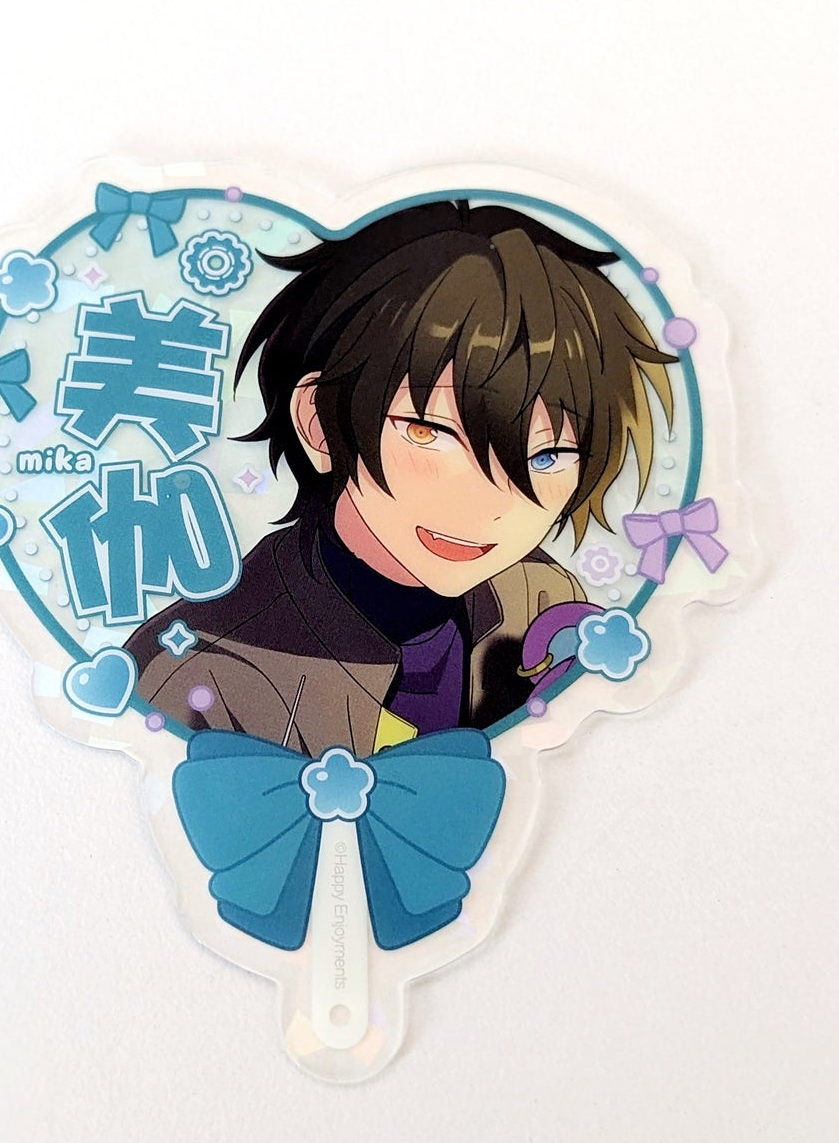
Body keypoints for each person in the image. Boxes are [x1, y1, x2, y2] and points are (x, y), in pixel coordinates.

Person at [125, 200, 676, 755]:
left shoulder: (540, 598)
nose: (486, 506)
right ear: (319, 423)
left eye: (547, 456)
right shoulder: (200, 673)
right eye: (428, 432)